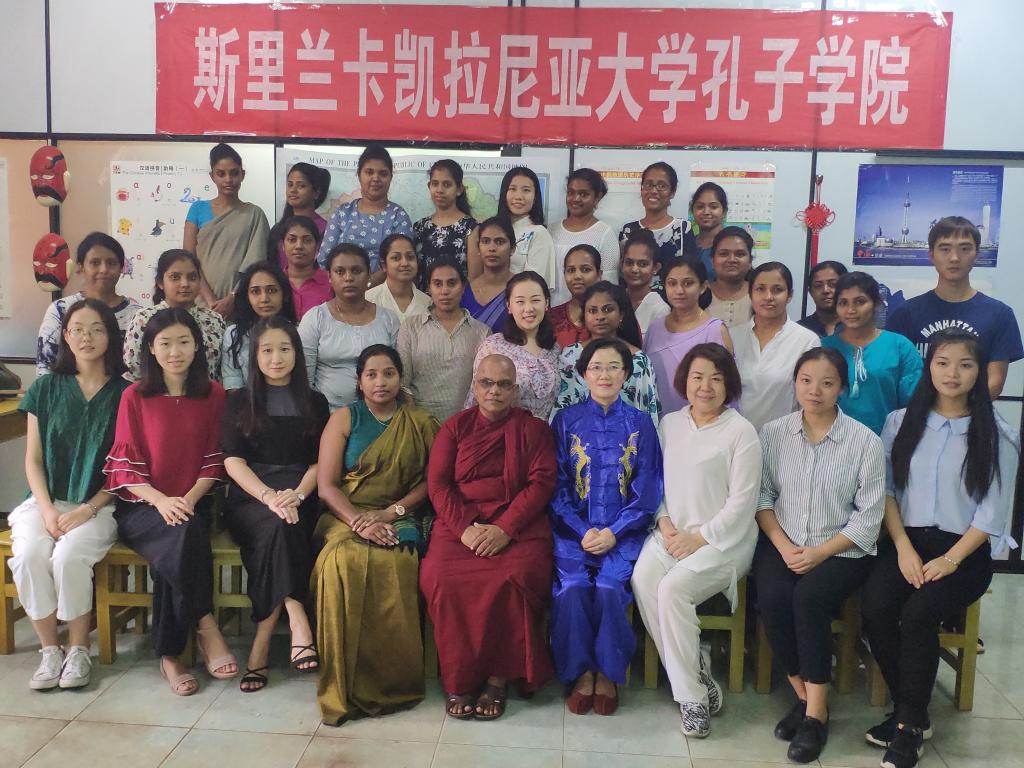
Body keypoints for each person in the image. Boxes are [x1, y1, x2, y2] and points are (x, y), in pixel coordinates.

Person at [861, 330, 1020, 768]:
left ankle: (908, 728)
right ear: (929, 366)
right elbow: (886, 491)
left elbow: (991, 514)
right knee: (875, 607)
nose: (952, 373)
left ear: (980, 372)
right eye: (943, 362)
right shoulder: (901, 422)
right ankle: (912, 710)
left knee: (918, 614)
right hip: (906, 541)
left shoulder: (997, 434)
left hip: (963, 553)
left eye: (965, 365)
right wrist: (903, 547)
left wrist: (950, 559)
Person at [754, 347, 885, 764]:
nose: (815, 390)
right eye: (806, 380)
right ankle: (805, 696)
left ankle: (815, 717)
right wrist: (784, 546)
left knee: (808, 599)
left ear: (841, 388)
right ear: (795, 383)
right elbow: (762, 497)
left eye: (827, 383)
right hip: (784, 541)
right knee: (772, 595)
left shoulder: (865, 441)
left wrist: (819, 553)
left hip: (842, 549)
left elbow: (869, 518)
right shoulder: (774, 433)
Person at [104, 308, 235, 696]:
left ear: (197, 346)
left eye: (183, 342)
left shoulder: (213, 394)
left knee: (178, 538)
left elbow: (216, 458)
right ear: (151, 348)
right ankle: (206, 625)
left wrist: (187, 500)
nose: (175, 352)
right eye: (165, 343)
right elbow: (124, 469)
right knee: (179, 535)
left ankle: (169, 654)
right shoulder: (134, 396)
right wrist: (162, 501)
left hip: (194, 503)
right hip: (142, 505)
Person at [632, 343, 761, 738]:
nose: (705, 386)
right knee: (643, 580)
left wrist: (699, 538)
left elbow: (743, 504)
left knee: (674, 588)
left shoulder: (741, 432)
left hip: (724, 542)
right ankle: (697, 673)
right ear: (684, 381)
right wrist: (664, 522)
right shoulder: (669, 424)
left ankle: (692, 701)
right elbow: (655, 482)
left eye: (716, 379)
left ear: (729, 384)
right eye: (698, 377)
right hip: (671, 532)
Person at [421, 354, 557, 720]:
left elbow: (541, 483)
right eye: (486, 383)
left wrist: (506, 528)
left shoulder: (534, 430)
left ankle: (499, 678)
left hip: (518, 526)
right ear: (475, 386)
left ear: (515, 390)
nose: (494, 390)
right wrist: (464, 528)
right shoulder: (455, 428)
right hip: (460, 526)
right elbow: (439, 486)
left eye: (503, 384)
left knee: (514, 576)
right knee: (441, 577)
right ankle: (461, 678)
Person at [312, 345, 440, 725]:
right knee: (341, 561)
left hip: (400, 513)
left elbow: (432, 483)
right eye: (371, 374)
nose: (380, 382)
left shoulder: (420, 422)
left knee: (399, 560)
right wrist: (359, 522)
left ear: (400, 378)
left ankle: (392, 682)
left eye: (388, 373)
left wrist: (390, 513)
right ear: (359, 381)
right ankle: (345, 682)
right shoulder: (343, 418)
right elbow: (327, 486)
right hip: (345, 514)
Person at [11, 299, 129, 691]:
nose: (86, 337)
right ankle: (50, 650)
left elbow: (125, 468)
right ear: (65, 335)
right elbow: (33, 459)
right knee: (29, 555)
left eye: (96, 329)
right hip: (45, 501)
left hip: (100, 505)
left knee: (68, 556)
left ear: (110, 336)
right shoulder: (45, 388)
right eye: (78, 329)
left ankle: (78, 648)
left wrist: (87, 509)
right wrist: (46, 510)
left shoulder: (126, 394)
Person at [550, 339, 663, 716]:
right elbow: (557, 487)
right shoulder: (564, 421)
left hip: (624, 535)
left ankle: (609, 673)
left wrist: (615, 531)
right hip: (573, 533)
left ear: (626, 374)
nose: (604, 374)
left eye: (614, 367)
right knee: (573, 587)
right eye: (596, 367)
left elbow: (648, 489)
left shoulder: (641, 424)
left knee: (611, 588)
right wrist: (581, 529)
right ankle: (581, 672)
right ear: (583, 374)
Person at [221, 317, 330, 692]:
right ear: (254, 356)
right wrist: (268, 496)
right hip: (252, 497)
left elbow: (319, 462)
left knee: (284, 527)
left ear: (297, 354)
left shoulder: (315, 401)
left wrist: (297, 494)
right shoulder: (239, 401)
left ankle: (261, 646)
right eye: (267, 350)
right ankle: (298, 616)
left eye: (284, 349)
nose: (276, 358)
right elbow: (233, 462)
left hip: (301, 492)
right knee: (280, 525)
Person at [886, 216, 1023, 399]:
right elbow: (895, 377)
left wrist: (955, 411)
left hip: (975, 415)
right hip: (917, 413)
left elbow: (994, 383)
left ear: (977, 254)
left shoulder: (999, 314)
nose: (954, 258)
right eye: (945, 249)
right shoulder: (905, 314)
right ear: (931, 254)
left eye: (965, 249)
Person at [299, 244, 401, 411]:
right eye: (340, 272)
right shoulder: (315, 318)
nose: (348, 278)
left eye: (356, 271)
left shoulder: (388, 319)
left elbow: (397, 372)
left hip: (380, 414)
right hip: (327, 414)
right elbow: (304, 378)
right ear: (329, 277)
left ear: (369, 274)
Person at [821, 272, 922, 434]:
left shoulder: (899, 347)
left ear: (876, 303)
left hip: (886, 441)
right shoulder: (823, 348)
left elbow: (913, 404)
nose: (851, 310)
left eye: (860, 302)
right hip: (830, 441)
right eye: (843, 303)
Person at [183, 143, 271, 317]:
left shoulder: (254, 214)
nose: (228, 179)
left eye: (234, 173)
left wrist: (233, 297)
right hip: (200, 305)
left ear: (242, 174)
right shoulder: (197, 209)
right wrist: (211, 301)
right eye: (221, 174)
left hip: (240, 305)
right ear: (212, 176)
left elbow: (256, 263)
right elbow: (189, 259)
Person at [397, 258, 490, 423]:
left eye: (452, 283)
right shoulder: (411, 327)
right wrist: (419, 423)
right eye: (437, 284)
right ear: (428, 288)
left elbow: (485, 386)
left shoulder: (482, 332)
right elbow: (403, 382)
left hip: (467, 425)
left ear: (463, 287)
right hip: (421, 423)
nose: (445, 291)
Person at [553, 282, 660, 424]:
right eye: (592, 311)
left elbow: (648, 412)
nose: (600, 316)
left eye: (607, 309)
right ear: (584, 315)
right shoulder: (570, 356)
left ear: (621, 314)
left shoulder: (638, 361)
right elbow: (560, 408)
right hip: (577, 435)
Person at [36, 232, 140, 376]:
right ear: (81, 267)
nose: (104, 269)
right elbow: (44, 368)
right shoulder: (61, 310)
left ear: (121, 268)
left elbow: (141, 372)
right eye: (95, 263)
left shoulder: (138, 316)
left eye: (111, 263)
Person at [733, 262, 820, 431]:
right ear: (750, 294)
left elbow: (810, 400)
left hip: (783, 438)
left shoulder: (806, 341)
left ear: (789, 295)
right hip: (736, 438)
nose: (768, 297)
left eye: (777, 290)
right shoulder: (732, 336)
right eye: (760, 289)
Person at [465, 271, 561, 419]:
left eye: (535, 300)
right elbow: (475, 398)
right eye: (520, 302)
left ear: (546, 303)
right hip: (503, 431)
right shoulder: (493, 346)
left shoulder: (555, 349)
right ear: (509, 306)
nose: (528, 309)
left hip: (546, 432)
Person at [643, 257, 732, 417]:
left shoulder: (714, 330)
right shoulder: (655, 328)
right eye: (672, 283)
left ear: (703, 287)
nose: (679, 290)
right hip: (660, 423)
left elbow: (728, 386)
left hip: (703, 424)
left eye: (688, 283)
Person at [316, 144, 413, 287]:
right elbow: (325, 260)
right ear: (359, 174)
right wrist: (348, 286)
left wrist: (365, 285)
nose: (376, 178)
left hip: (385, 293)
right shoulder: (342, 213)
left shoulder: (398, 216)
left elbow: (401, 262)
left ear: (391, 177)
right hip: (343, 291)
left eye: (383, 174)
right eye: (369, 172)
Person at [123, 249, 226, 382]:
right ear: (160, 282)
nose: (185, 284)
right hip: (156, 394)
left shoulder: (214, 320)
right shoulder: (144, 319)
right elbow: (132, 372)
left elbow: (222, 372)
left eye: (192, 277)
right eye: (175, 277)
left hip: (207, 394)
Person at [617, 162, 698, 292]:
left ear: (672, 192)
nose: (654, 191)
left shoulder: (683, 229)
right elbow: (622, 277)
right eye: (648, 185)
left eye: (661, 186)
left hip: (674, 301)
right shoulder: (628, 231)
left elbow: (691, 274)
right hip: (633, 302)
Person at [221, 262, 297, 390]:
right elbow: (233, 383)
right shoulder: (234, 334)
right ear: (247, 296)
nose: (264, 299)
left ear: (284, 294)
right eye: (255, 291)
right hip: (246, 401)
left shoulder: (298, 331)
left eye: (272, 290)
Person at [549, 168, 620, 304]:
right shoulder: (552, 230)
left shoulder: (605, 234)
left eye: (583, 194)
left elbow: (609, 286)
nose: (576, 199)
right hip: (552, 309)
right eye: (571, 192)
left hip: (589, 311)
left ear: (597, 197)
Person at [482, 166, 558, 291]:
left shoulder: (538, 233)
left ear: (535, 197)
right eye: (512, 189)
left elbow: (533, 285)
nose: (519, 196)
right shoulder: (492, 231)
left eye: (526, 190)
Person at [413, 159, 478, 286]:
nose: (439, 190)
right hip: (423, 297)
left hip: (458, 297)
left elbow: (474, 278)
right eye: (435, 184)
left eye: (447, 185)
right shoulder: (420, 227)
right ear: (429, 186)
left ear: (459, 189)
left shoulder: (470, 228)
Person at [268, 162, 330, 272]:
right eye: (290, 185)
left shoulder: (327, 230)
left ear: (316, 193)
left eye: (301, 186)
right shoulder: (278, 229)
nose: (293, 190)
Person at [461, 217, 515, 332]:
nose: (492, 248)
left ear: (512, 249)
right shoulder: (463, 292)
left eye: (500, 242)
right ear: (478, 248)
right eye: (486, 241)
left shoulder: (522, 289)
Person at [365, 234, 431, 320]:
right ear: (383, 265)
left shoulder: (428, 304)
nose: (405, 263)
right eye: (396, 258)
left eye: (410, 257)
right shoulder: (368, 300)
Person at [547, 244, 602, 349]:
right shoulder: (550, 317)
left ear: (599, 274)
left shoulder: (609, 316)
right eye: (571, 270)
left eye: (585, 269)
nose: (577, 276)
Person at [279, 215, 333, 320]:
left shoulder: (331, 283)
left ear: (317, 247)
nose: (299, 246)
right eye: (292, 240)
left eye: (307, 241)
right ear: (283, 246)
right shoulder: (274, 282)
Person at [620, 230, 669, 335]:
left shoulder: (660, 310)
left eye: (643, 264)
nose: (634, 269)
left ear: (655, 268)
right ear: (621, 264)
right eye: (629, 263)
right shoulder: (615, 299)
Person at [706, 226, 754, 329]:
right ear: (712, 260)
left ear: (750, 261)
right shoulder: (699, 294)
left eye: (740, 254)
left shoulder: (759, 295)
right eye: (724, 254)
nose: (732, 260)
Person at [798, 261, 848, 337]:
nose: (825, 290)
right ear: (810, 292)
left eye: (833, 284)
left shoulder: (858, 328)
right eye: (818, 286)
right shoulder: (799, 330)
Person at [690, 182, 728, 280]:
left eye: (713, 207)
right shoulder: (687, 243)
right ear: (692, 211)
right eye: (700, 207)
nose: (706, 212)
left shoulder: (731, 244)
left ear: (724, 211)